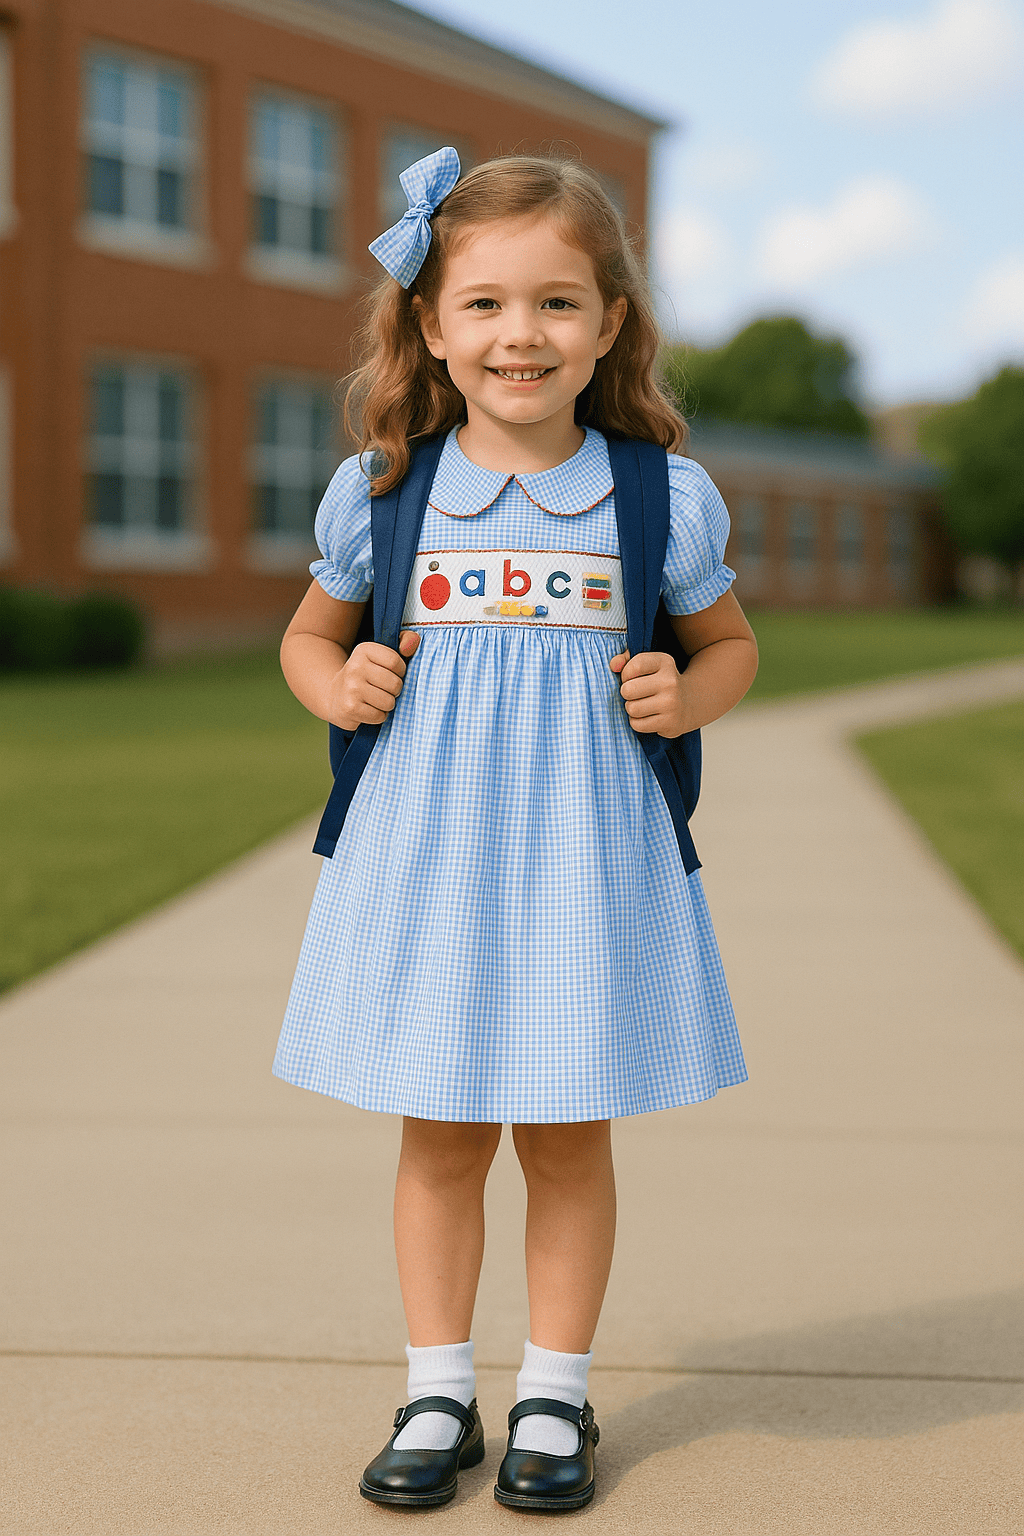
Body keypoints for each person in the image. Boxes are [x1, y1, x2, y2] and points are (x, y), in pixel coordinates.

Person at [273, 147, 758, 1514]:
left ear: (610, 323)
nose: (520, 335)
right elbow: (311, 638)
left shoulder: (658, 495)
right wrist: (340, 676)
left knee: (564, 1135)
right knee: (438, 1134)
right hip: (432, 860)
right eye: (484, 304)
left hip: (582, 865)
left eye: (556, 303)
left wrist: (684, 688)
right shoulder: (385, 490)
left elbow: (730, 646)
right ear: (432, 323)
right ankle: (438, 1386)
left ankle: (555, 1389)